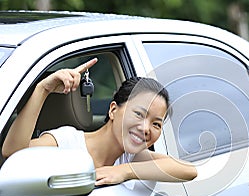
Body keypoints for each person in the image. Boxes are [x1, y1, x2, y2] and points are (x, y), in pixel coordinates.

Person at [1, 58, 197, 186]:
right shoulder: (67, 141)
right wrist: (42, 90)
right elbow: (13, 153)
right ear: (113, 110)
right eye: (138, 114)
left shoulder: (129, 158)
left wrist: (125, 171)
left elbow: (188, 170)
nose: (146, 128)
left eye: (156, 124)